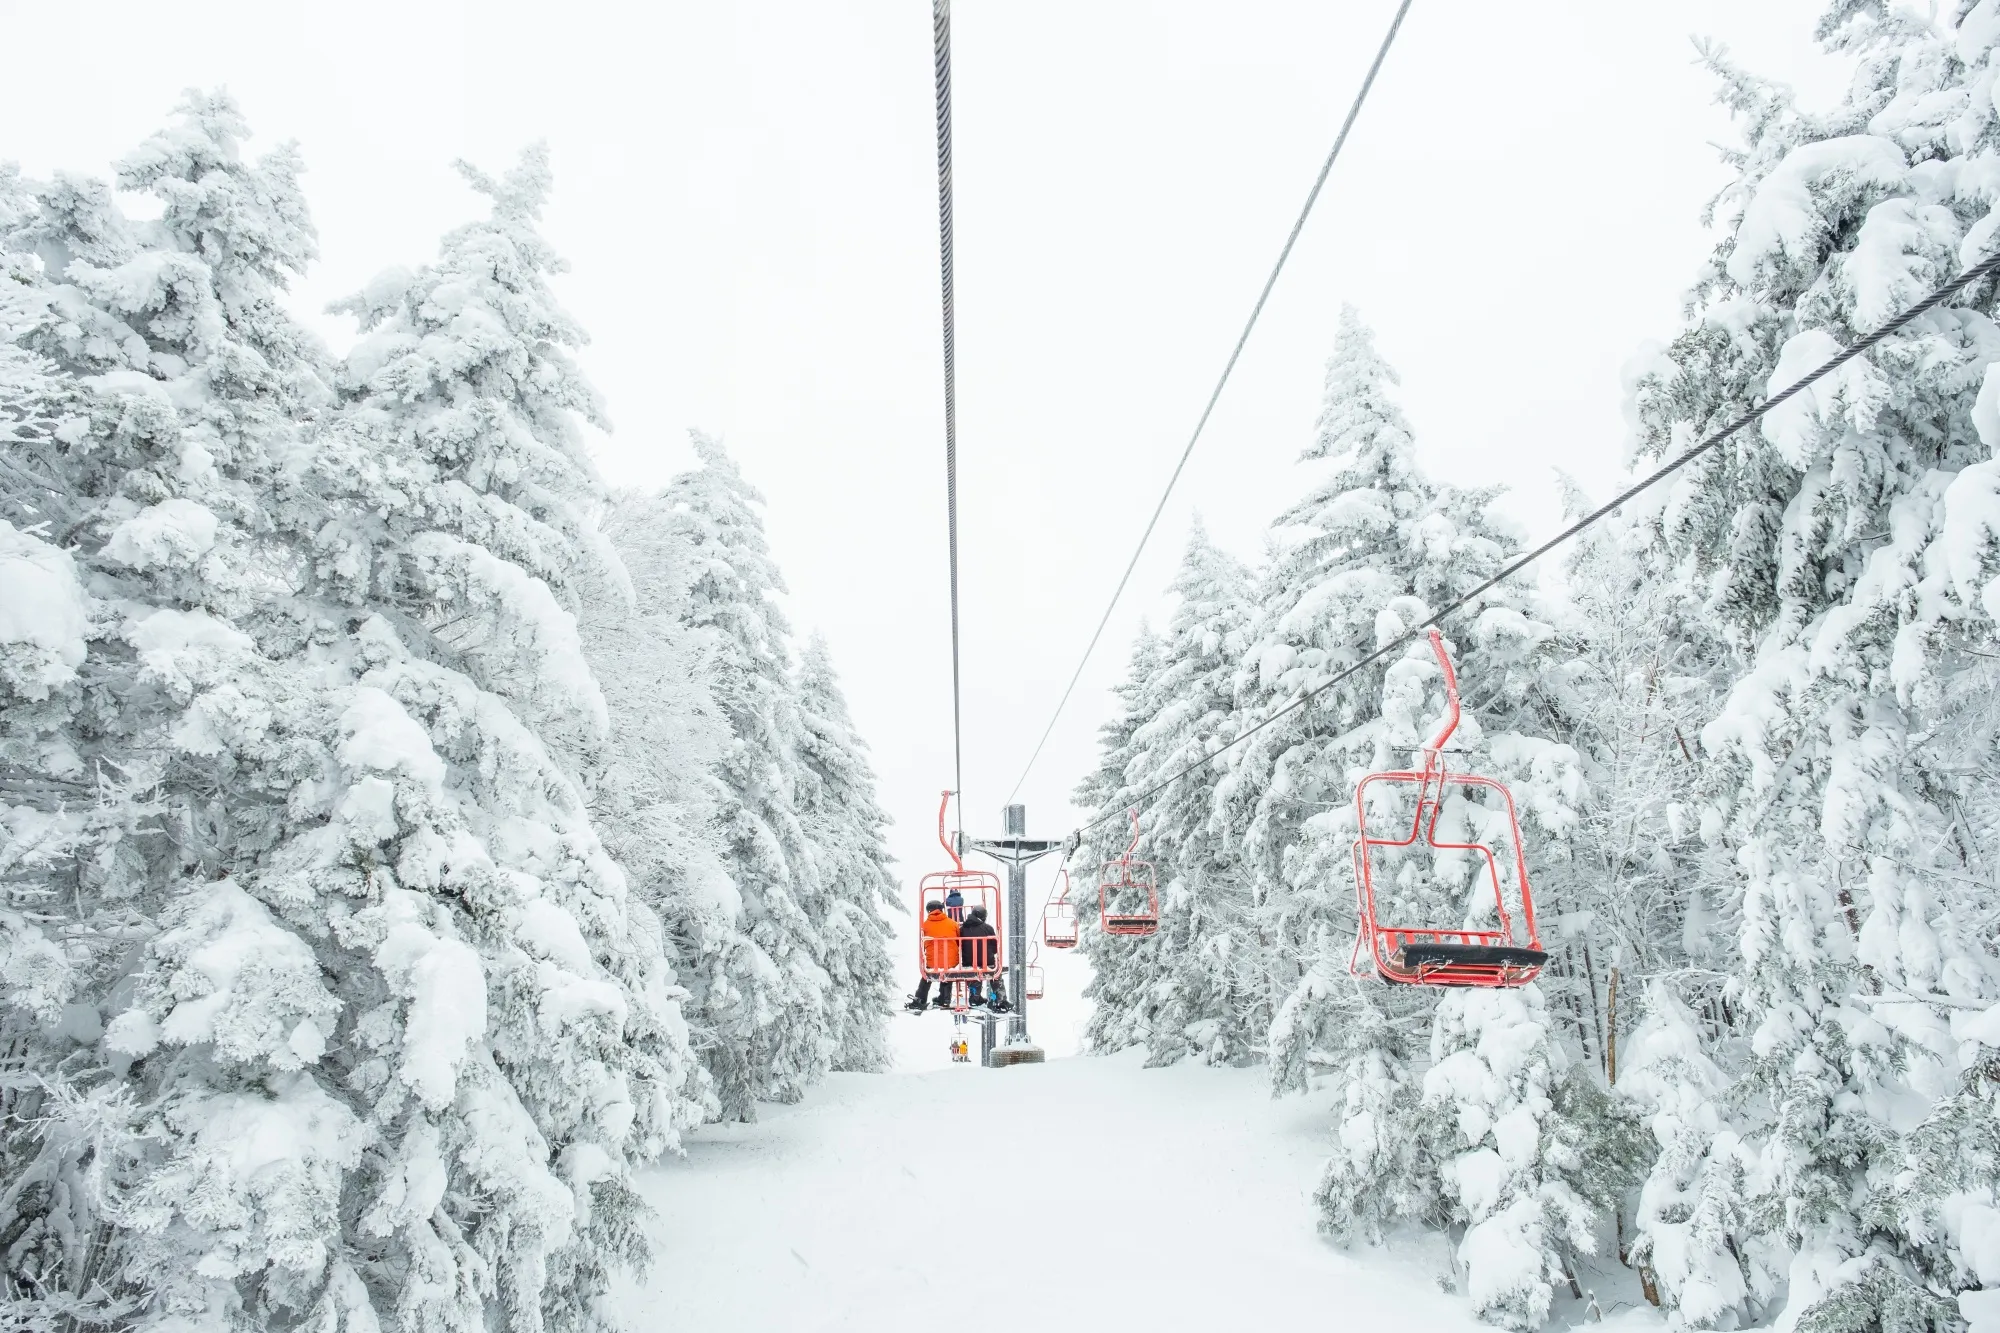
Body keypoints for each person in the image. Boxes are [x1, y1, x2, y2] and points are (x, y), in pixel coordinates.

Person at [905, 900, 961, 1011]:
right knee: (948, 969)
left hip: (932, 962)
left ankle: (920, 999)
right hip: (951, 962)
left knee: (926, 976)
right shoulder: (953, 923)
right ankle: (944, 999)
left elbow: (923, 943)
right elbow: (959, 941)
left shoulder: (924, 926)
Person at [955, 906, 1011, 1012]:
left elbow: (958, 945)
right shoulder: (988, 928)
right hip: (987, 962)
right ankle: (1000, 1000)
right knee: (995, 975)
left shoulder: (962, 929)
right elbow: (995, 948)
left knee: (974, 975)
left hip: (969, 963)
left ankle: (975, 997)